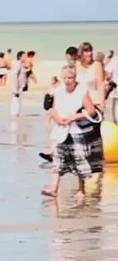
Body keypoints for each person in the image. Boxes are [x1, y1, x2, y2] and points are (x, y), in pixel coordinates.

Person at [43, 66, 103, 199]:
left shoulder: (82, 91)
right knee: (58, 157)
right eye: (64, 78)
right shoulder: (58, 91)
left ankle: (81, 189)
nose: (67, 81)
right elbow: (53, 109)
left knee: (80, 159)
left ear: (75, 78)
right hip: (62, 129)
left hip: (78, 130)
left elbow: (91, 111)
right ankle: (54, 188)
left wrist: (73, 117)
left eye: (70, 78)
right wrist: (58, 118)